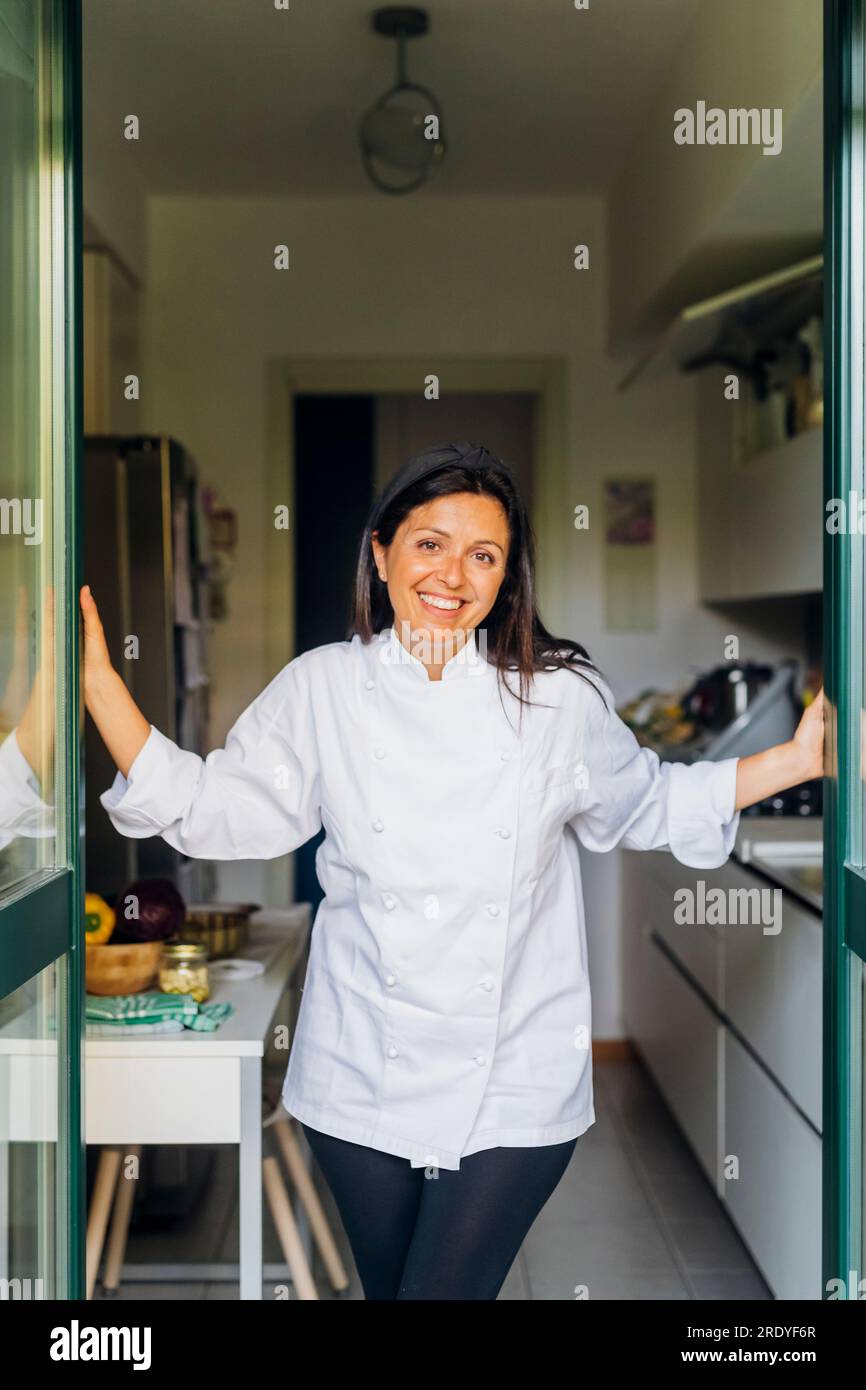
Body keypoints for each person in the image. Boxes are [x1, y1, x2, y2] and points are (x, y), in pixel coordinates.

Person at [81, 441, 825, 1300]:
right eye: (430, 543)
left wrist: (797, 760)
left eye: (484, 555)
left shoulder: (556, 698)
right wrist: (101, 687)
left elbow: (651, 802)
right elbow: (214, 807)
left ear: (507, 577)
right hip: (361, 1074)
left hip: (513, 1076)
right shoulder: (323, 688)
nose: (454, 574)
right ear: (382, 552)